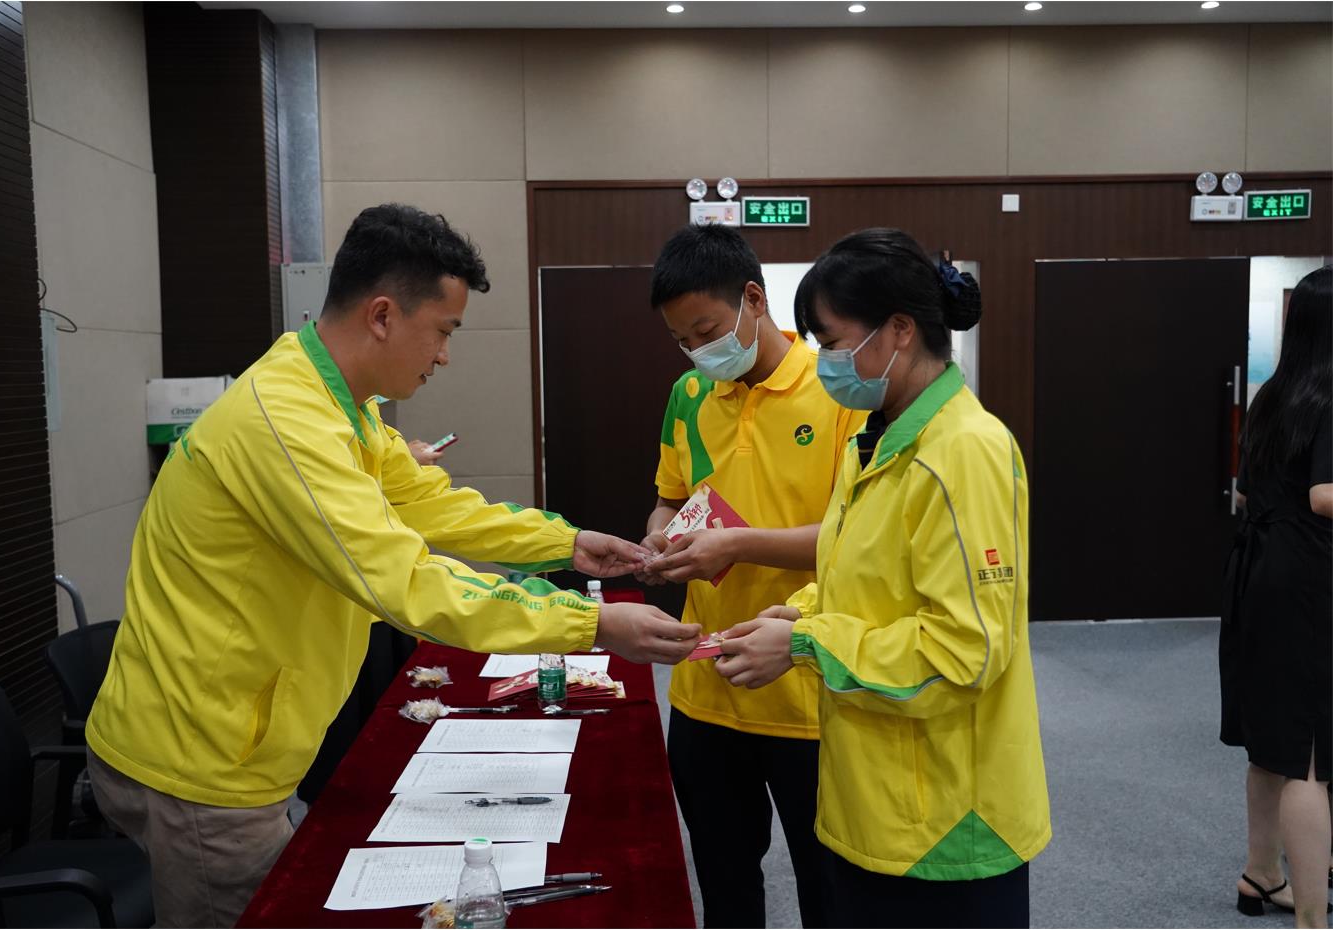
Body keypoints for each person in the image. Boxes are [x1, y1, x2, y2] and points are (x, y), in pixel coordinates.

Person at [85, 204, 699, 928]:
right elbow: (403, 578)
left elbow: (426, 504)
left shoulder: (346, 406)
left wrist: (563, 544)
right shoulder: (285, 419)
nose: (444, 355)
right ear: (382, 315)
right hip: (200, 760)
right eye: (443, 330)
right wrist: (588, 622)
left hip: (237, 741)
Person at [716, 228, 1050, 928]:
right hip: (874, 801)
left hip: (948, 821)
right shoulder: (875, 438)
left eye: (833, 342)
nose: (824, 363)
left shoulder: (964, 451)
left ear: (900, 330)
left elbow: (965, 651)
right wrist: (800, 613)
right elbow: (860, 575)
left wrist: (808, 644)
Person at [634, 224, 863, 928]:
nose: (698, 351)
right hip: (705, 686)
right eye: (681, 340)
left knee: (831, 892)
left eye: (705, 331)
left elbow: (861, 543)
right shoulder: (689, 393)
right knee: (725, 885)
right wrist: (659, 536)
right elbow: (670, 497)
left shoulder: (840, 391)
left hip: (808, 686)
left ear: (754, 300)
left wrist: (736, 543)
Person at [1220, 265, 1331, 928]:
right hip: (1306, 584)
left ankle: (1261, 873)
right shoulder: (1330, 400)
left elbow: (1244, 492)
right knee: (1309, 757)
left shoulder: (1273, 395)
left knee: (1271, 741)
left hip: (1257, 575)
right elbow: (1323, 495)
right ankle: (1315, 919)